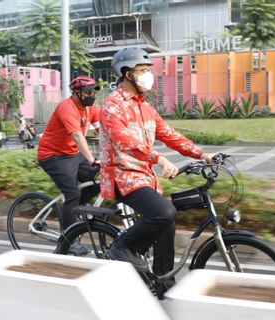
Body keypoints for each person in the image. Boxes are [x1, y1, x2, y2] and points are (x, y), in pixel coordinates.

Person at [99, 47, 214, 283]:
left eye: (147, 71)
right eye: (142, 70)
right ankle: (122, 248)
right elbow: (124, 141)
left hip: (144, 177)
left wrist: (202, 154)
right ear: (127, 73)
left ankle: (164, 281)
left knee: (167, 224)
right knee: (164, 212)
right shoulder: (112, 105)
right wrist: (158, 159)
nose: (147, 76)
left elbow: (169, 135)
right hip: (122, 176)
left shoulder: (145, 107)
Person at [37, 76, 101, 256]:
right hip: (53, 156)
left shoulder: (90, 109)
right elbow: (78, 137)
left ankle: (75, 211)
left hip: (72, 154)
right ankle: (69, 240)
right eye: (87, 92)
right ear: (77, 93)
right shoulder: (67, 107)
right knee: (71, 195)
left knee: (100, 177)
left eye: (93, 91)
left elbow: (103, 131)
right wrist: (92, 159)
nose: (91, 95)